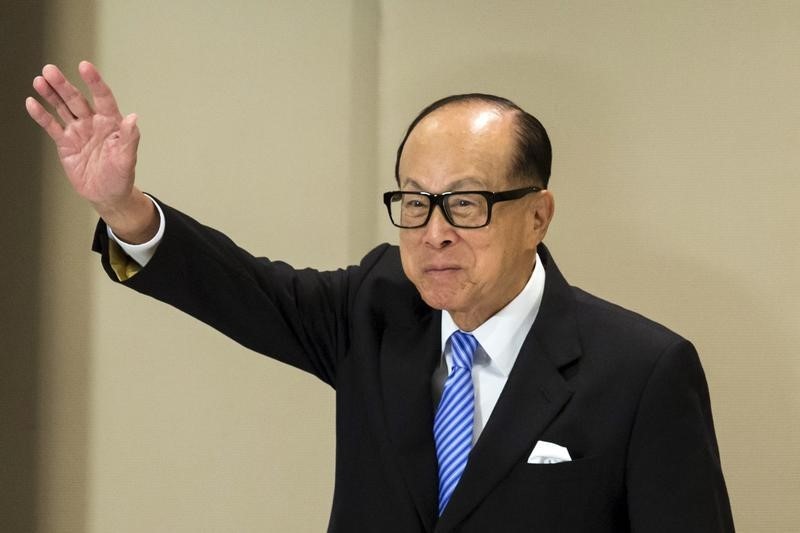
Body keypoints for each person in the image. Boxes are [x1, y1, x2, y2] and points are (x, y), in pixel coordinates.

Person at [26, 62, 735, 532]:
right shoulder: (378, 305)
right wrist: (124, 210)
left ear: (539, 214)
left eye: (464, 204)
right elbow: (241, 289)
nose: (433, 234)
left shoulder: (643, 372)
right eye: (414, 203)